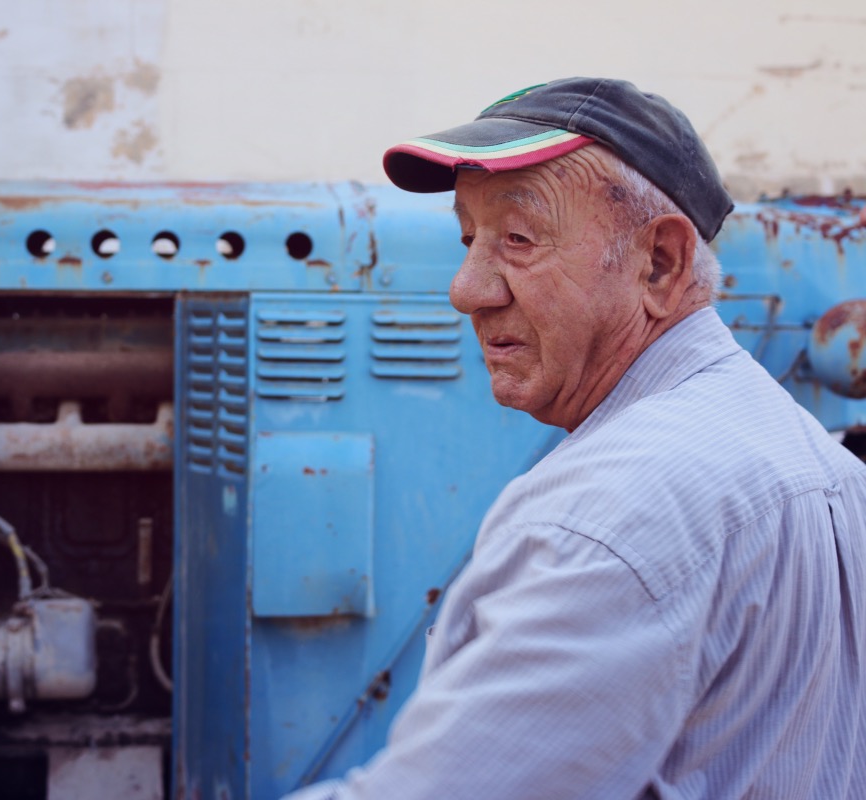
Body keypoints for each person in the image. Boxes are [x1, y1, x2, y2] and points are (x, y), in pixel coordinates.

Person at [283, 77, 866, 798]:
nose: (466, 288)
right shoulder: (818, 459)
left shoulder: (613, 512)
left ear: (660, 263)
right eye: (469, 239)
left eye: (518, 239)